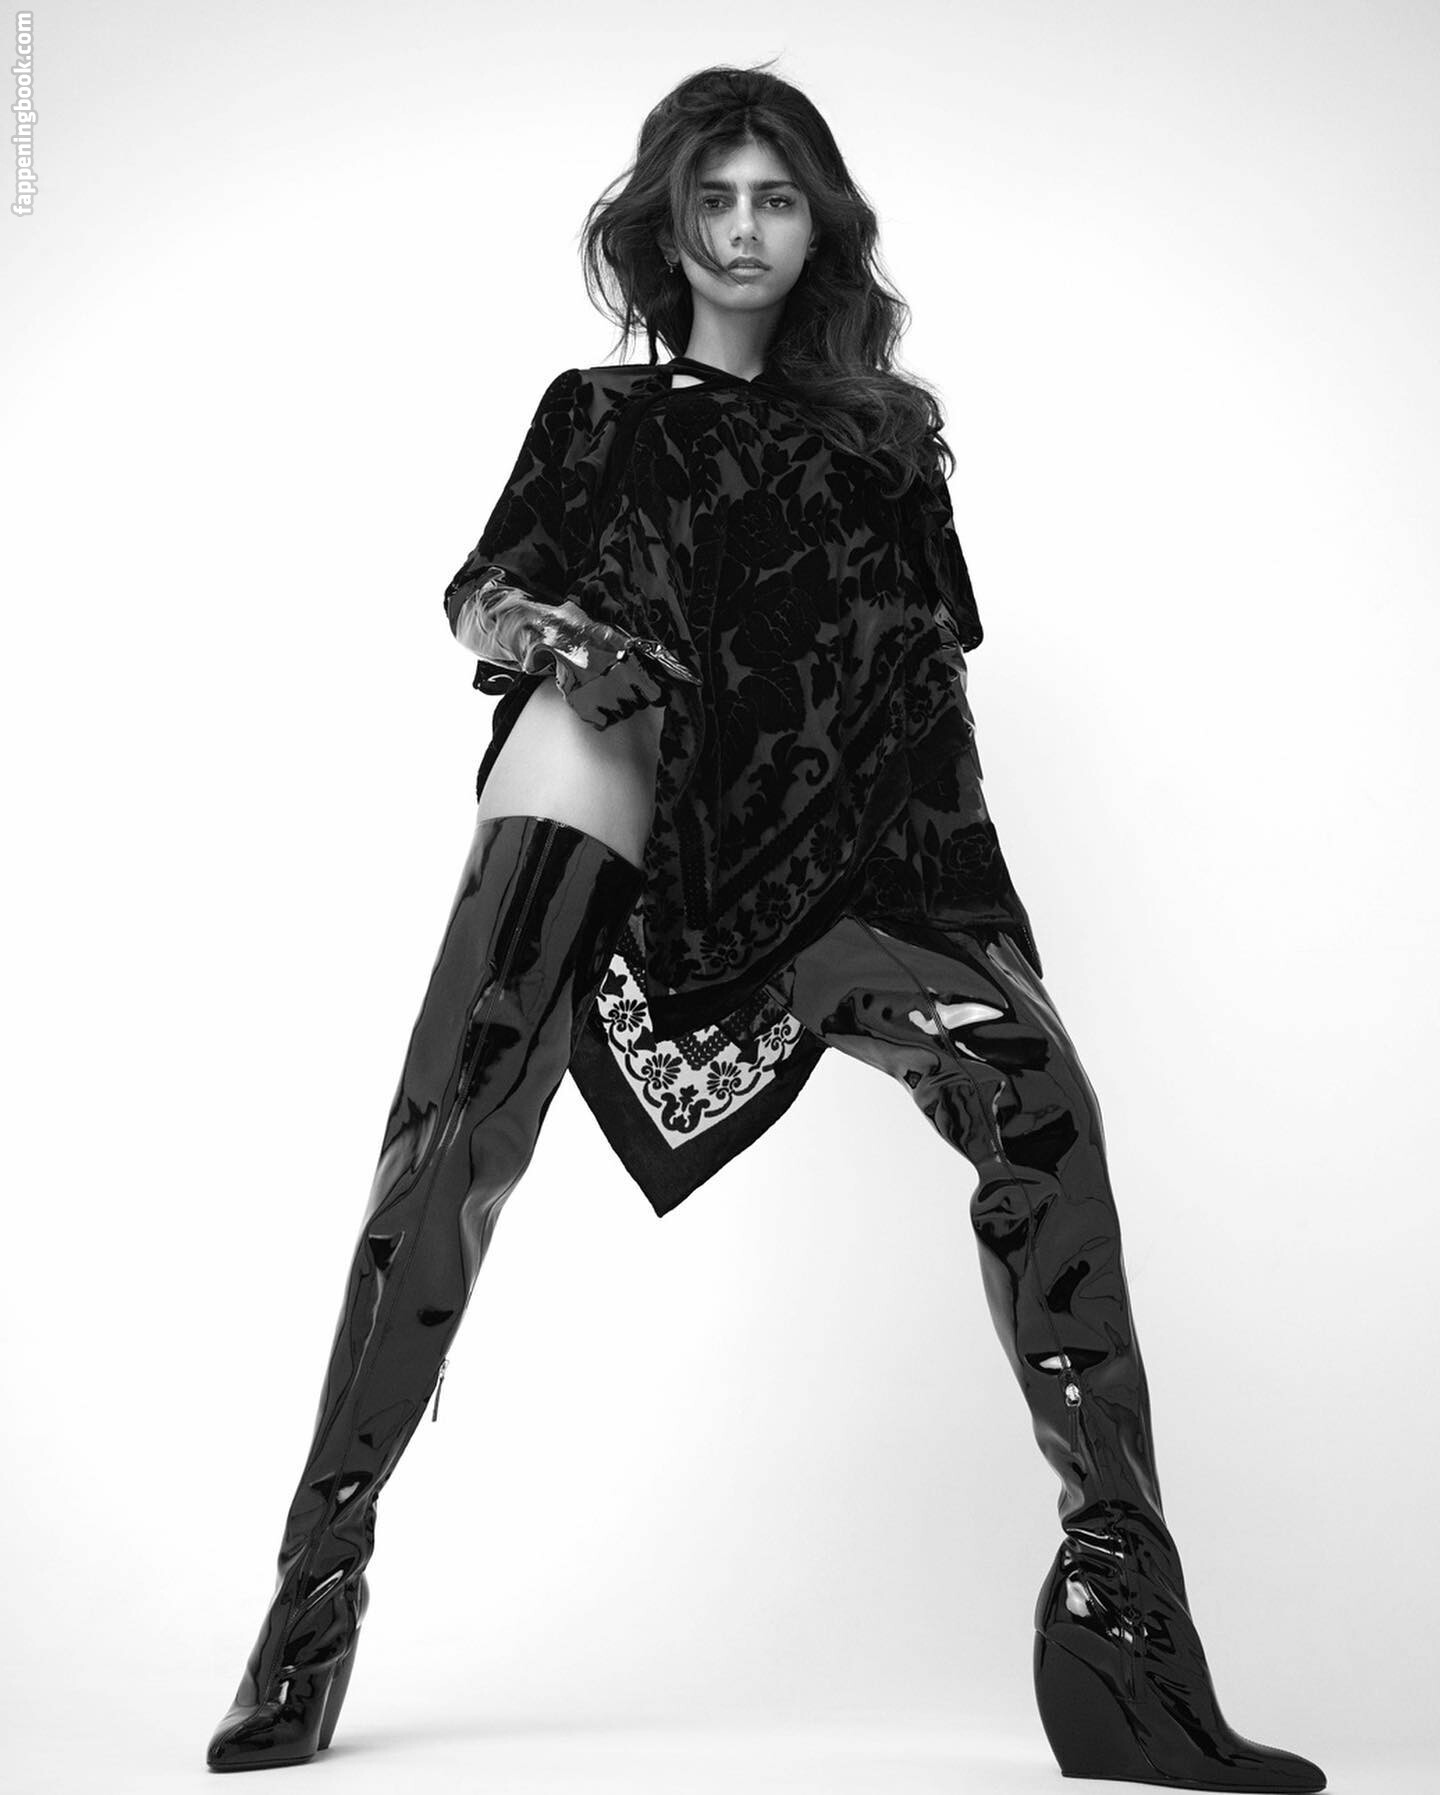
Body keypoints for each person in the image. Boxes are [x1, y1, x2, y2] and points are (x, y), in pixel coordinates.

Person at [204, 61, 1326, 1792]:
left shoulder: (888, 438)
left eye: (775, 198)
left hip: (831, 831)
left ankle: (1123, 1619)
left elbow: (923, 691)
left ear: (821, 227)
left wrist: (985, 932)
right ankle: (311, 1596)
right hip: (613, 765)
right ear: (667, 228)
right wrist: (555, 639)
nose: (742, 230)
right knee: (451, 1139)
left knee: (1043, 1102)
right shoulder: (600, 412)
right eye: (713, 199)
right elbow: (479, 591)